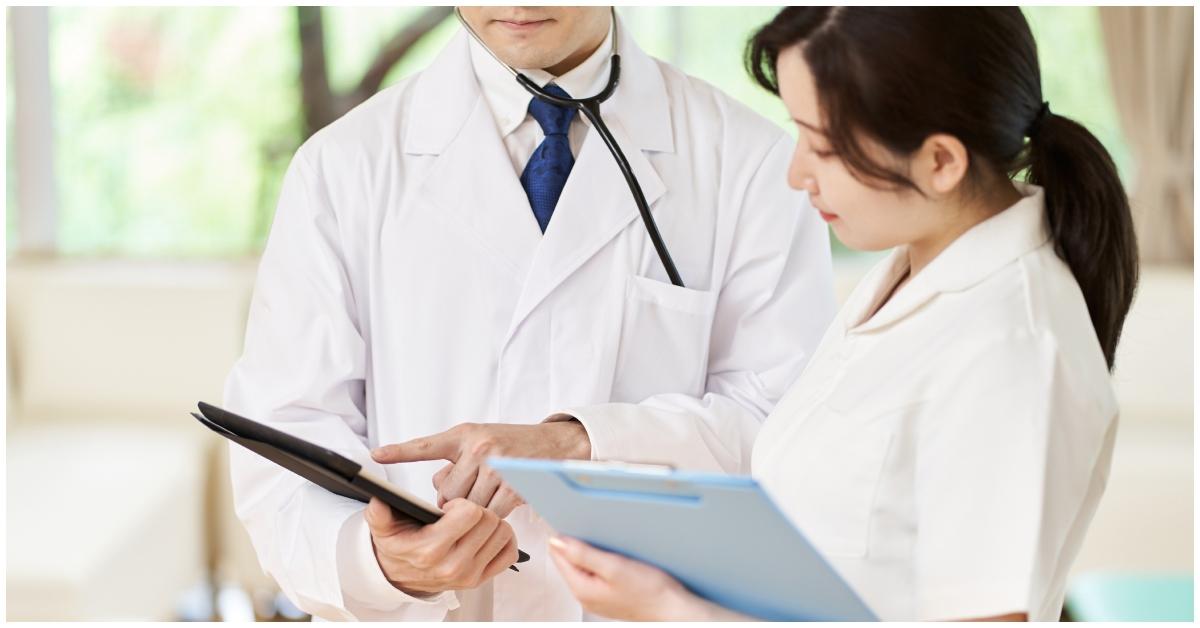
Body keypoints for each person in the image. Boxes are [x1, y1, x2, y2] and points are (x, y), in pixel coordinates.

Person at [224, 6, 836, 622]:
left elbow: (790, 430)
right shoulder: (341, 169)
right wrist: (380, 563)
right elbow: (288, 435)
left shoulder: (753, 165)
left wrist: (580, 442)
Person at [548, 6, 1138, 622]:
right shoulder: (914, 271)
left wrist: (674, 612)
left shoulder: (1013, 349)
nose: (796, 173)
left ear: (941, 162)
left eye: (824, 148)